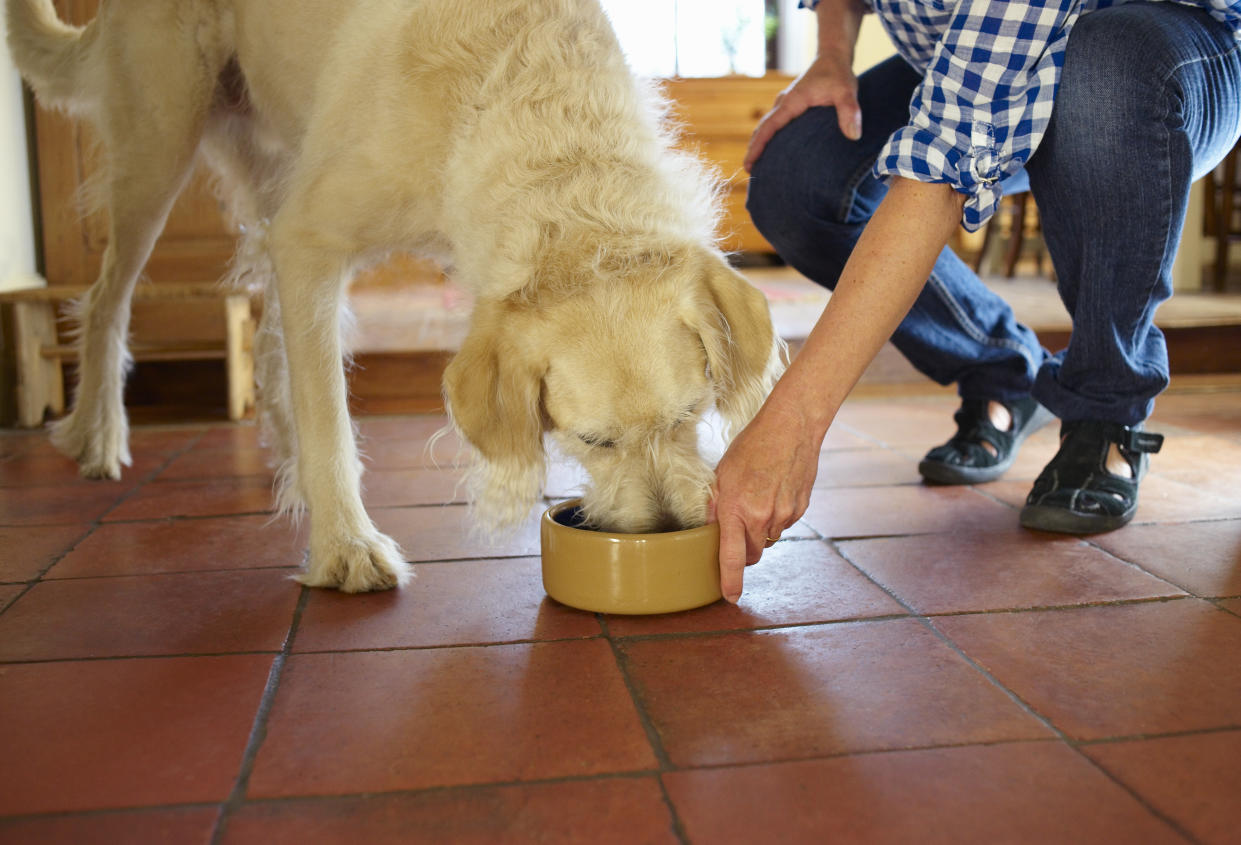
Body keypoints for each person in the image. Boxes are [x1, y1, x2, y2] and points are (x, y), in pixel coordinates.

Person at [708, 0, 1241, 603]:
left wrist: (793, 424)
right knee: (796, 179)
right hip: (953, 59)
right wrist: (833, 55)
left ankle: (1104, 404)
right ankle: (1002, 371)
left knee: (1103, 70)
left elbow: (944, 159)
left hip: (1162, 58)